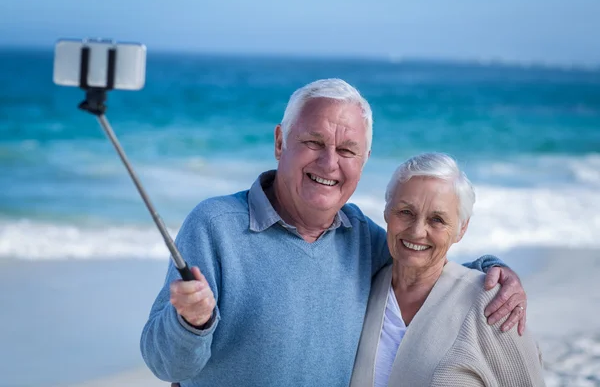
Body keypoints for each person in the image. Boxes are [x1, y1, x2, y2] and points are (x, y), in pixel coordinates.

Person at [140, 79, 528, 387]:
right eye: (313, 142)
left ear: (364, 161)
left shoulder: (363, 238)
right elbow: (165, 363)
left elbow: (424, 257)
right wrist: (191, 323)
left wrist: (495, 271)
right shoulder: (214, 226)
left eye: (347, 150)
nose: (329, 163)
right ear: (280, 142)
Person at [350, 152, 544, 387]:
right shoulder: (365, 286)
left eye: (437, 220)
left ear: (461, 229)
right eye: (405, 212)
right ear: (386, 211)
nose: (417, 231)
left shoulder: (495, 306)